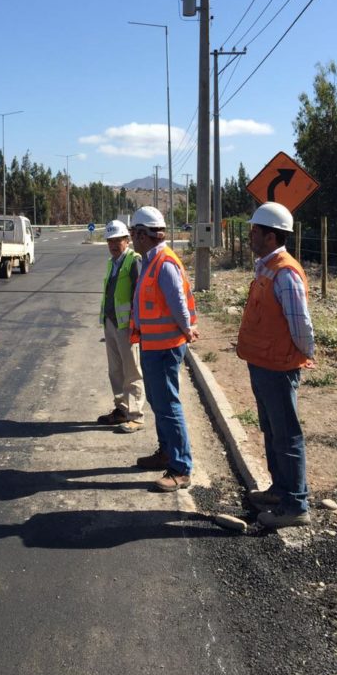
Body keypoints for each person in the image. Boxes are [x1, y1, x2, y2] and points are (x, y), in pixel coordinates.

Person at [236, 202, 315, 528]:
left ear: (270, 236)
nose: (250, 235)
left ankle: (296, 506)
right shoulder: (266, 266)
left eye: (255, 230)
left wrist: (302, 354)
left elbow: (301, 325)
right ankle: (280, 489)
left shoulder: (285, 272)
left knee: (287, 436)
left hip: (279, 368)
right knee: (272, 431)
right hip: (263, 363)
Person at [129, 206, 199, 492]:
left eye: (134, 233)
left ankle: (181, 468)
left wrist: (187, 329)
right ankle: (166, 452)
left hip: (166, 346)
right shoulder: (150, 259)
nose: (132, 237)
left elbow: (178, 304)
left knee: (168, 405)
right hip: (153, 345)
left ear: (145, 234)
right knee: (159, 403)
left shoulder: (164, 263)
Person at [97, 219, 145, 433]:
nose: (113, 245)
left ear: (127, 240)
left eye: (118, 240)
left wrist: (138, 325)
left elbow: (139, 293)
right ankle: (121, 409)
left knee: (131, 371)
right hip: (111, 323)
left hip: (127, 325)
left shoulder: (133, 260)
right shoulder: (111, 262)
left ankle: (136, 415)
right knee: (115, 371)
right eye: (110, 241)